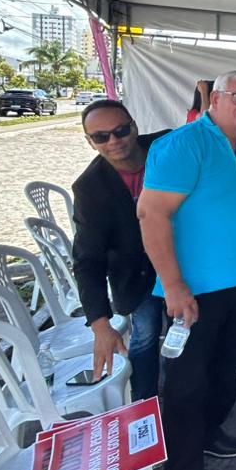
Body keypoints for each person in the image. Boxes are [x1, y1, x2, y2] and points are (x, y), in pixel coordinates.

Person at [138, 70, 236, 470]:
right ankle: (182, 468)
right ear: (214, 99)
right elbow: (151, 215)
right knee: (187, 382)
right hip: (193, 291)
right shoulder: (182, 145)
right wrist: (174, 286)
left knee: (227, 369)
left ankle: (208, 433)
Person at [72, 100, 169, 400]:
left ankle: (186, 396)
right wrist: (100, 324)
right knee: (145, 335)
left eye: (120, 131)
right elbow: (87, 259)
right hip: (136, 274)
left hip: (185, 262)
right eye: (101, 136)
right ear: (90, 142)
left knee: (193, 333)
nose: (113, 140)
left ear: (134, 127)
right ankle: (146, 401)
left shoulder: (166, 148)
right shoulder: (89, 188)